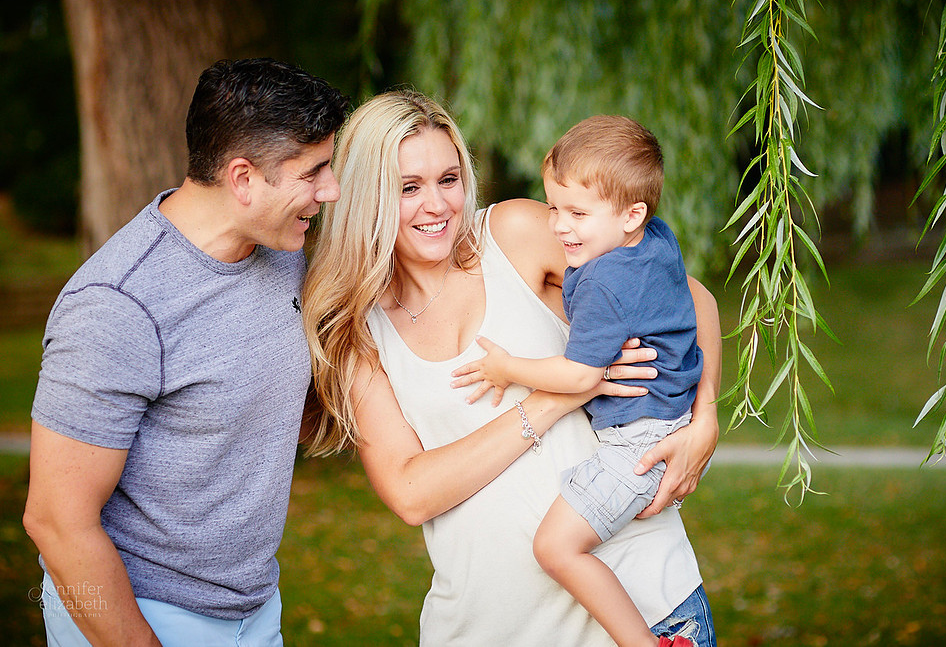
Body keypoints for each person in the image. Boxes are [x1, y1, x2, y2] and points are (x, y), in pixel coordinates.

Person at [302, 89, 722, 646]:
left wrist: (705, 418)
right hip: (490, 628)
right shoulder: (357, 332)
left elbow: (693, 304)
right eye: (408, 188)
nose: (436, 205)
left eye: (448, 179)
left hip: (644, 604)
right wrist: (554, 399)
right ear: (366, 197)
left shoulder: (516, 235)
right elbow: (410, 491)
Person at [22, 58, 349, 647]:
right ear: (243, 178)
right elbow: (55, 520)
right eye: (314, 172)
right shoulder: (117, 306)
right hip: (141, 614)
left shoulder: (280, 254)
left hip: (253, 606)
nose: (330, 191)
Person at [450, 115, 702, 646]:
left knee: (555, 548)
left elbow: (580, 374)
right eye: (553, 208)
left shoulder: (606, 283)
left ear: (632, 214)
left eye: (577, 213)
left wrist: (506, 368)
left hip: (638, 441)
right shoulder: (652, 239)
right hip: (666, 417)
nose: (560, 227)